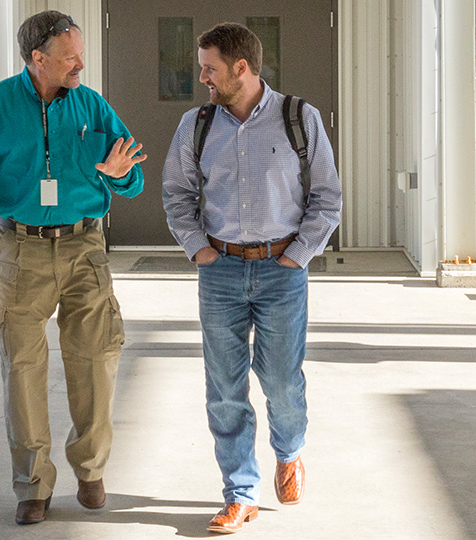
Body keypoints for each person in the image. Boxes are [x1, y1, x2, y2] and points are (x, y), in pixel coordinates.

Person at [0, 11, 146, 525]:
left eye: (81, 53)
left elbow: (133, 180)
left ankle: (90, 470)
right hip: (20, 250)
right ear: (37, 59)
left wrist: (119, 176)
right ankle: (32, 485)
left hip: (84, 248)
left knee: (95, 359)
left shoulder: (92, 105)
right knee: (23, 367)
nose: (80, 63)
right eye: (69, 56)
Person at [162, 23, 341, 534]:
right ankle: (241, 492)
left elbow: (327, 198)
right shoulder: (196, 124)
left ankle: (290, 453)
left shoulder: (298, 118)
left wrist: (297, 257)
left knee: (282, 381)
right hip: (219, 271)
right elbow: (176, 193)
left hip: (282, 270)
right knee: (224, 388)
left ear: (241, 68)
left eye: (210, 68)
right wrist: (198, 249)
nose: (203, 78)